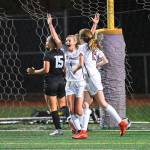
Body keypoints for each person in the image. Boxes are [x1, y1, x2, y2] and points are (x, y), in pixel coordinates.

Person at [72, 28, 129, 139]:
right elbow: (105, 61)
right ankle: (84, 131)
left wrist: (74, 70)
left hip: (90, 79)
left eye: (79, 36)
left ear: (81, 38)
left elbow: (81, 63)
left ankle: (121, 122)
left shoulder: (82, 48)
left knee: (101, 104)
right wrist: (96, 65)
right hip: (93, 77)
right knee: (86, 105)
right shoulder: (94, 47)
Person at [27, 14, 67, 136]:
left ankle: (58, 129)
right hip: (61, 81)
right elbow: (64, 68)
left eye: (47, 41)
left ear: (51, 43)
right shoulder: (61, 52)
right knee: (63, 106)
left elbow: (46, 70)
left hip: (51, 82)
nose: (45, 42)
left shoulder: (48, 54)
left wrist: (33, 72)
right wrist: (50, 24)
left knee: (53, 107)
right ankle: (75, 125)